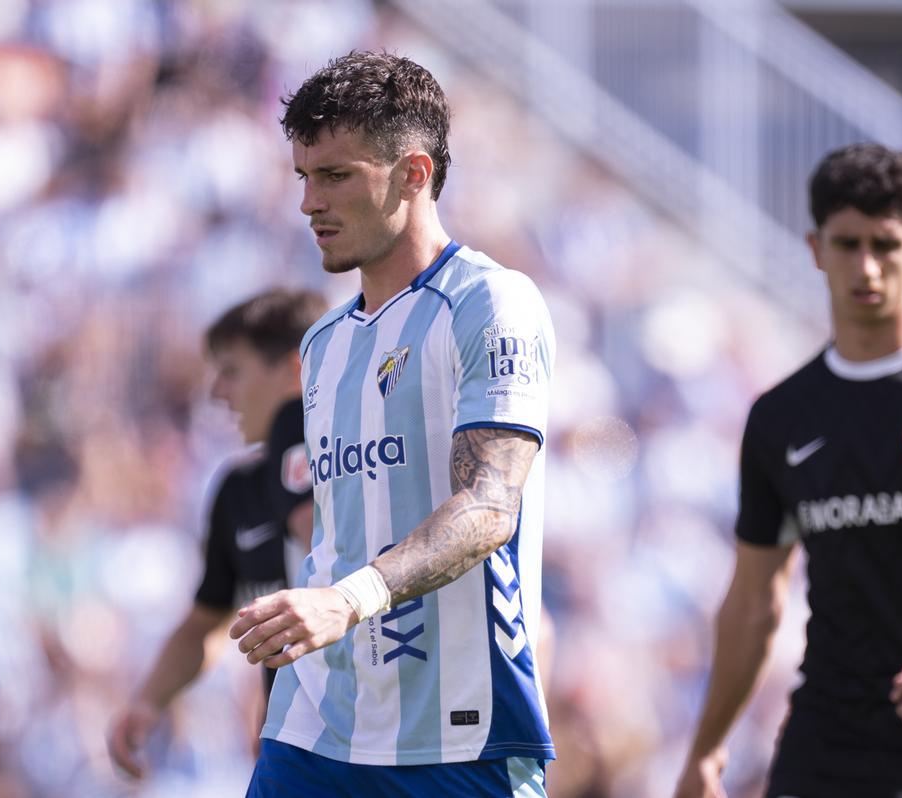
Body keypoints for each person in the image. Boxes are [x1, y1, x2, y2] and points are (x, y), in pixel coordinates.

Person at [228, 51, 556, 797]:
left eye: (336, 176)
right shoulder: (323, 344)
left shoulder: (489, 303)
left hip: (458, 733)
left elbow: (487, 510)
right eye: (303, 177)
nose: (309, 202)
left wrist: (349, 601)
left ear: (413, 174)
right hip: (317, 730)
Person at [675, 143, 902, 798]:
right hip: (826, 747)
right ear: (815, 248)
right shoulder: (781, 417)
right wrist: (707, 748)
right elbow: (756, 601)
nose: (866, 267)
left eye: (885, 244)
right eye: (847, 244)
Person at [107, 287, 326, 779]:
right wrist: (147, 703)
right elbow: (207, 622)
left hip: (377, 754)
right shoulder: (237, 490)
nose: (217, 393)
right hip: (290, 762)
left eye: (232, 371)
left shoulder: (360, 471)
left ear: (294, 369)